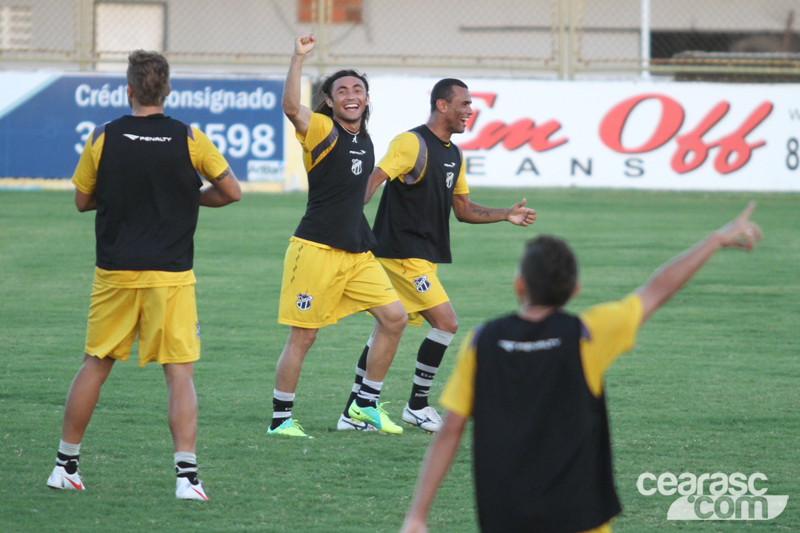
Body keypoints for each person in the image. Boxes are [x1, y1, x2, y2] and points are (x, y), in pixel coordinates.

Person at [400, 203, 762, 532]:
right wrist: (716, 239)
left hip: (506, 518)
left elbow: (450, 431)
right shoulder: (587, 334)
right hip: (581, 518)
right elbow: (658, 288)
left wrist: (418, 514)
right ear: (575, 289)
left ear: (519, 285)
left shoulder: (482, 341)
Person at [46, 50, 241, 501]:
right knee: (179, 373)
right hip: (170, 276)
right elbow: (231, 191)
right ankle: (187, 479)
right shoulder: (190, 137)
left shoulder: (102, 136)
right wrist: (184, 197)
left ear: (129, 90)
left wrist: (125, 199)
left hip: (115, 272)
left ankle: (65, 466)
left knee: (96, 363)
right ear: (167, 89)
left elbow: (82, 200)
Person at [339, 78, 536, 433]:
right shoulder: (411, 143)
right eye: (464, 104)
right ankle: (416, 405)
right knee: (446, 323)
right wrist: (346, 210)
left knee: (386, 328)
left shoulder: (454, 154)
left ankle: (353, 412)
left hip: (422, 256)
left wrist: (505, 214)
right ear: (443, 105)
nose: (470, 111)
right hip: (401, 253)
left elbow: (462, 209)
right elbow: (374, 178)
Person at [269, 33, 408, 438]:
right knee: (304, 336)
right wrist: (298, 57)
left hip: (357, 251)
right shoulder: (323, 129)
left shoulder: (365, 138)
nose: (351, 95)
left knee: (395, 318)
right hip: (315, 250)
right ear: (329, 101)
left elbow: (356, 192)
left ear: (366, 98)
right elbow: (291, 107)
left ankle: (364, 405)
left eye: (357, 89)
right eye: (342, 90)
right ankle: (281, 420)